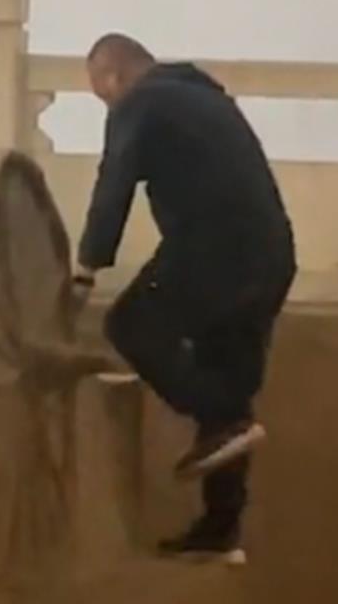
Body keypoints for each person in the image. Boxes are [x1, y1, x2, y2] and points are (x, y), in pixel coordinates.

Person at [72, 35, 296, 565]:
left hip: (217, 248)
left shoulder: (140, 101)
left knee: (130, 324)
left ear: (113, 77)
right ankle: (220, 530)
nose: (108, 107)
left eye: (102, 96)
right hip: (272, 255)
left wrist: (86, 267)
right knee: (226, 375)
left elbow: (114, 182)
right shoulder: (204, 96)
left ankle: (220, 421)